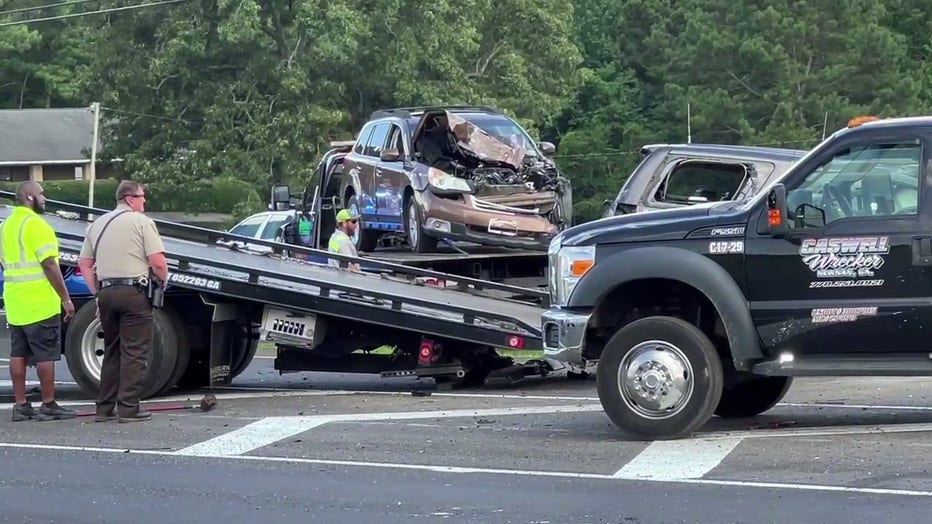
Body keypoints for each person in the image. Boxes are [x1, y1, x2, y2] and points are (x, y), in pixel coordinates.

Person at [77, 180, 168, 423]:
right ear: (129, 198)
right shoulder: (142, 223)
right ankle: (129, 407)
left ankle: (104, 408)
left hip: (106, 293)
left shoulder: (97, 224)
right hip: (133, 293)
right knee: (135, 351)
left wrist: (96, 289)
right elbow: (158, 262)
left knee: (112, 350)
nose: (144, 201)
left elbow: (84, 263)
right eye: (141, 196)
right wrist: (162, 281)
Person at [1, 181, 76, 421]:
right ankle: (48, 403)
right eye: (42, 194)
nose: (45, 198)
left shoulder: (6, 225)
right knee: (45, 353)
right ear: (30, 196)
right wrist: (65, 298)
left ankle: (21, 405)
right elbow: (50, 264)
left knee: (18, 352)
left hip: (14, 298)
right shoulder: (36, 225)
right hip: (39, 300)